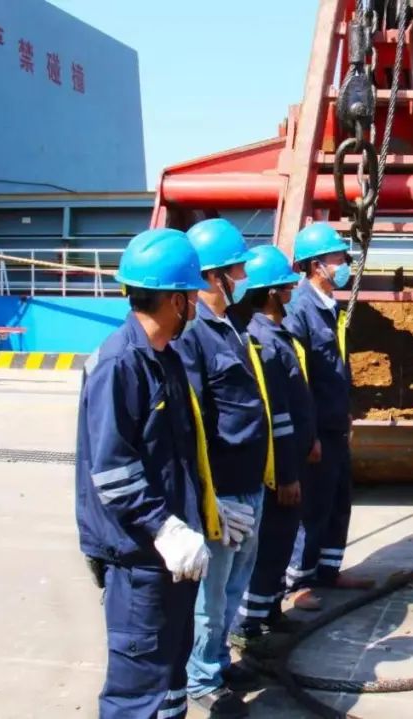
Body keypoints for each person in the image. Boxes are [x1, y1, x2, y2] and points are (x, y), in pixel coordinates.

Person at [76, 227, 241, 718]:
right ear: (175, 300)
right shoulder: (120, 364)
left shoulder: (164, 358)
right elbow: (112, 469)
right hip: (140, 560)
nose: (196, 303)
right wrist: (164, 527)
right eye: (191, 294)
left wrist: (207, 507)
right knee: (138, 694)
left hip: (172, 556)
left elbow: (178, 457)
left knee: (169, 686)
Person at [175, 218, 272, 717]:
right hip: (224, 490)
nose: (243, 277)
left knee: (234, 585)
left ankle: (216, 661)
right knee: (211, 596)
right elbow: (192, 422)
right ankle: (200, 679)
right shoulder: (194, 335)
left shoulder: (229, 327)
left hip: (249, 483)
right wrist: (207, 498)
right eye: (237, 269)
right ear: (214, 276)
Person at [229, 245, 316, 643]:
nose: (292, 291)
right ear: (269, 293)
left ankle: (270, 611)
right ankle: (247, 626)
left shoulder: (278, 336)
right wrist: (285, 474)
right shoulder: (262, 342)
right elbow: (276, 414)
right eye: (286, 287)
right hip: (280, 467)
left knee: (281, 543)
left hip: (292, 457)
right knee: (270, 546)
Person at [283, 222, 373, 593]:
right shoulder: (299, 311)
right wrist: (310, 435)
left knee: (338, 500)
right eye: (337, 258)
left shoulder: (330, 308)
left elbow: (336, 366)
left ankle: (328, 570)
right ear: (315, 265)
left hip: (335, 423)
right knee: (313, 506)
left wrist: (345, 411)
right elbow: (298, 379)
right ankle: (299, 582)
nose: (344, 265)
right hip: (316, 428)